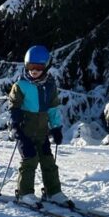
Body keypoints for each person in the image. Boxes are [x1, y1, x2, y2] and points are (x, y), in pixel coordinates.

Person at [9, 45, 71, 207]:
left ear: (46, 67)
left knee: (48, 161)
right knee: (30, 160)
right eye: (30, 67)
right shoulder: (21, 85)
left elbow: (53, 109)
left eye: (38, 67)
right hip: (25, 132)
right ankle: (25, 193)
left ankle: (53, 192)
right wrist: (16, 127)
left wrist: (56, 127)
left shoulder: (50, 86)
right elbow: (14, 108)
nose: (34, 71)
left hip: (42, 132)